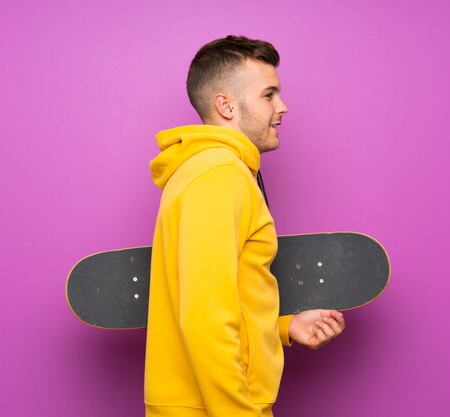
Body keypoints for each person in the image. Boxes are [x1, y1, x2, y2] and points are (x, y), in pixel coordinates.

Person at [145, 35, 345, 417]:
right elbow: (204, 318)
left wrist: (283, 328)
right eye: (269, 95)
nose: (282, 107)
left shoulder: (214, 171)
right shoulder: (219, 175)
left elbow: (220, 295)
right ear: (226, 105)